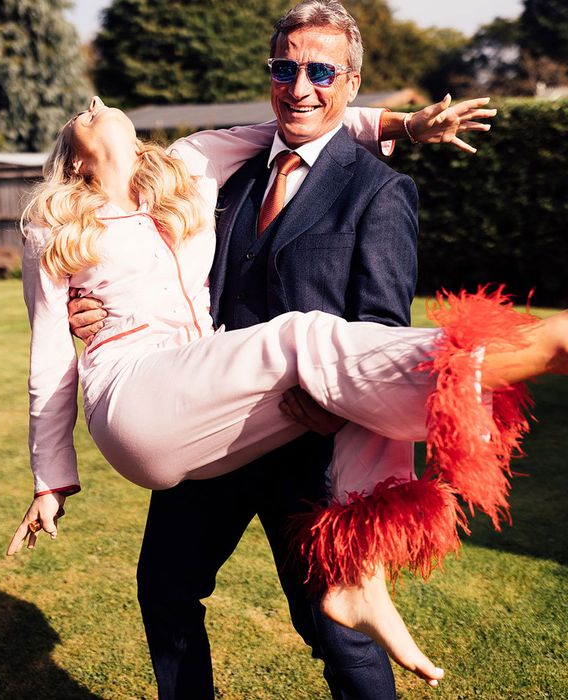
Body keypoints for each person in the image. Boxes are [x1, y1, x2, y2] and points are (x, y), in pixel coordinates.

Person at [58, 2, 497, 698]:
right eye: (285, 68)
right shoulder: (223, 176)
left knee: (335, 628)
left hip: (310, 446)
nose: (301, 86)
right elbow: (159, 270)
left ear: (351, 83)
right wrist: (101, 311)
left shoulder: (379, 191)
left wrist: (330, 411)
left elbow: (379, 327)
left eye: (321, 71)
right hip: (214, 429)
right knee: (165, 594)